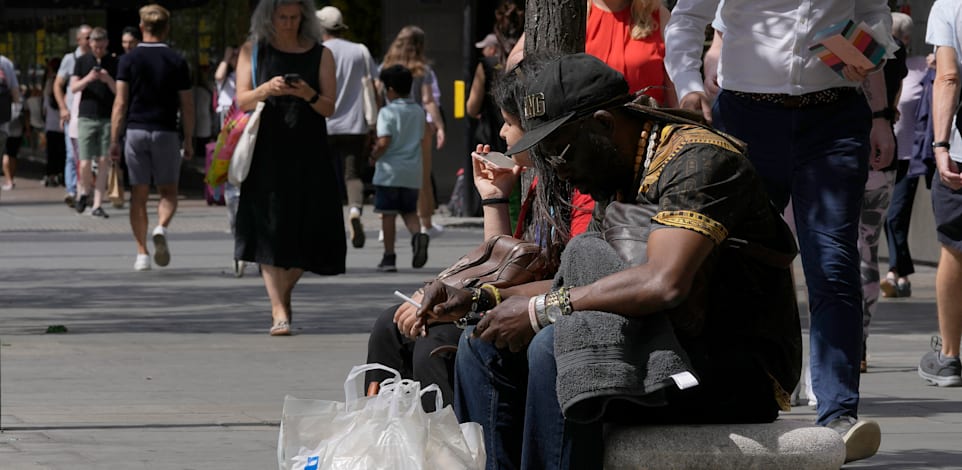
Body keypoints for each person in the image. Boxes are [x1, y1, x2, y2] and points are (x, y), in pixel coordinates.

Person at [415, 53, 801, 470]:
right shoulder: (618, 171)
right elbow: (578, 283)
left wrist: (539, 311)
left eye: (560, 151)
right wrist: (480, 298)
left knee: (554, 345)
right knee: (481, 343)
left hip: (732, 369)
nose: (557, 170)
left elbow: (663, 282)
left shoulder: (701, 163)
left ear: (602, 124)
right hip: (656, 341)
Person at [665, 1, 894, 462]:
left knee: (833, 264)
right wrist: (689, 88)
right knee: (735, 262)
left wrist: (874, 55)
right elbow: (687, 18)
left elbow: (876, 13)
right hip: (747, 116)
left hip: (833, 120)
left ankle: (838, 414)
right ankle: (741, 395)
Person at [233, 0, 342, 336]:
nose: (289, 23)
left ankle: (284, 290)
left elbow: (329, 108)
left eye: (295, 17)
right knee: (268, 227)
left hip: (309, 149)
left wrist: (307, 92)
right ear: (269, 17)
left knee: (311, 225)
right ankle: (279, 310)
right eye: (283, 17)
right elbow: (241, 99)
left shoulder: (321, 53)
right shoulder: (253, 50)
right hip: (266, 148)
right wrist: (267, 89)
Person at [109, 4, 194, 270]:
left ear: (142, 27)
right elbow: (187, 104)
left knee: (138, 193)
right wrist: (189, 138)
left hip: (135, 131)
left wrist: (114, 139)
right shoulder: (177, 61)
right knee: (168, 192)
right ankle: (161, 228)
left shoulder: (128, 60)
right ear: (166, 27)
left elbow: (120, 103)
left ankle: (142, 254)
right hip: (166, 132)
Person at [858, 11, 910, 373]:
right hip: (882, 157)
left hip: (841, 153)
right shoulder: (895, 52)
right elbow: (895, 102)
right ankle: (858, 342)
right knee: (867, 250)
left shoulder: (848, 44)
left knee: (832, 251)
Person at [918, 0, 962, 388]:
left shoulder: (949, 6)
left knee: (954, 247)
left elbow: (948, 76)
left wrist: (941, 144)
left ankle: (949, 357)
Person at [317, 5, 379, 249]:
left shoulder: (318, 51)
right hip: (355, 124)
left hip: (324, 122)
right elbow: (373, 85)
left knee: (324, 175)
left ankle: (327, 223)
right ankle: (354, 211)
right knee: (352, 174)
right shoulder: (359, 50)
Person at [382, 25, 446, 237]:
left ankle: (387, 223)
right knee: (422, 176)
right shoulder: (422, 70)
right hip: (417, 124)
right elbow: (428, 101)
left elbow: (376, 94)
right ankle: (425, 222)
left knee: (391, 173)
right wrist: (439, 126)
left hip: (391, 123)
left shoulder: (385, 67)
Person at [370, 65, 427, 272]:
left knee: (388, 214)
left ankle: (389, 257)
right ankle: (417, 235)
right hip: (412, 171)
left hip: (389, 172)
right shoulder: (419, 111)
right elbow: (420, 139)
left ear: (390, 89)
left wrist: (373, 155)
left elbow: (384, 141)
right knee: (409, 211)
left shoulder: (387, 112)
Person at [884, 51, 932, 299]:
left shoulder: (925, 66)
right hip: (889, 154)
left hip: (912, 157)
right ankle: (900, 275)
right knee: (888, 217)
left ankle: (895, 272)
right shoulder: (888, 64)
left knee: (895, 217)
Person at [71, 26, 117, 219]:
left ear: (106, 44)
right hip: (86, 116)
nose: (98, 50)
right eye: (94, 46)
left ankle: (97, 204)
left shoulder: (115, 62)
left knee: (104, 161)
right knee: (84, 162)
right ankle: (84, 192)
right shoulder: (81, 62)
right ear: (90, 44)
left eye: (101, 47)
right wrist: (89, 78)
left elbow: (119, 92)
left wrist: (108, 79)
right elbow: (74, 87)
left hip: (107, 117)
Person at [54, 24, 92, 208]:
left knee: (88, 157)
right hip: (73, 114)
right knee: (72, 154)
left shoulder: (98, 58)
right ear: (78, 40)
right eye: (87, 37)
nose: (90, 40)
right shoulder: (70, 59)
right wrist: (62, 108)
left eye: (92, 36)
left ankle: (85, 191)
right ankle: (72, 190)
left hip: (92, 113)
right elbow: (57, 85)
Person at [43, 58, 66, 187]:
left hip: (51, 124)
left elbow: (45, 106)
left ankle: (51, 176)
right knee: (62, 153)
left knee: (51, 153)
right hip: (63, 124)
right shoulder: (65, 82)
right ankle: (61, 175)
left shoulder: (49, 83)